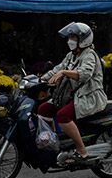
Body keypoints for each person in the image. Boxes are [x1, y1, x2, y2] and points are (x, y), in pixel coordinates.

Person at [39, 22, 107, 163]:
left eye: (73, 37)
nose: (70, 40)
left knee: (62, 116)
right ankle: (55, 141)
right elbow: (59, 67)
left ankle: (82, 150)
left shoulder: (89, 55)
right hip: (71, 95)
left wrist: (64, 73)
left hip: (88, 96)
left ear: (83, 40)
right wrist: (43, 77)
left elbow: (84, 74)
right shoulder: (72, 55)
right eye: (69, 37)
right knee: (43, 109)